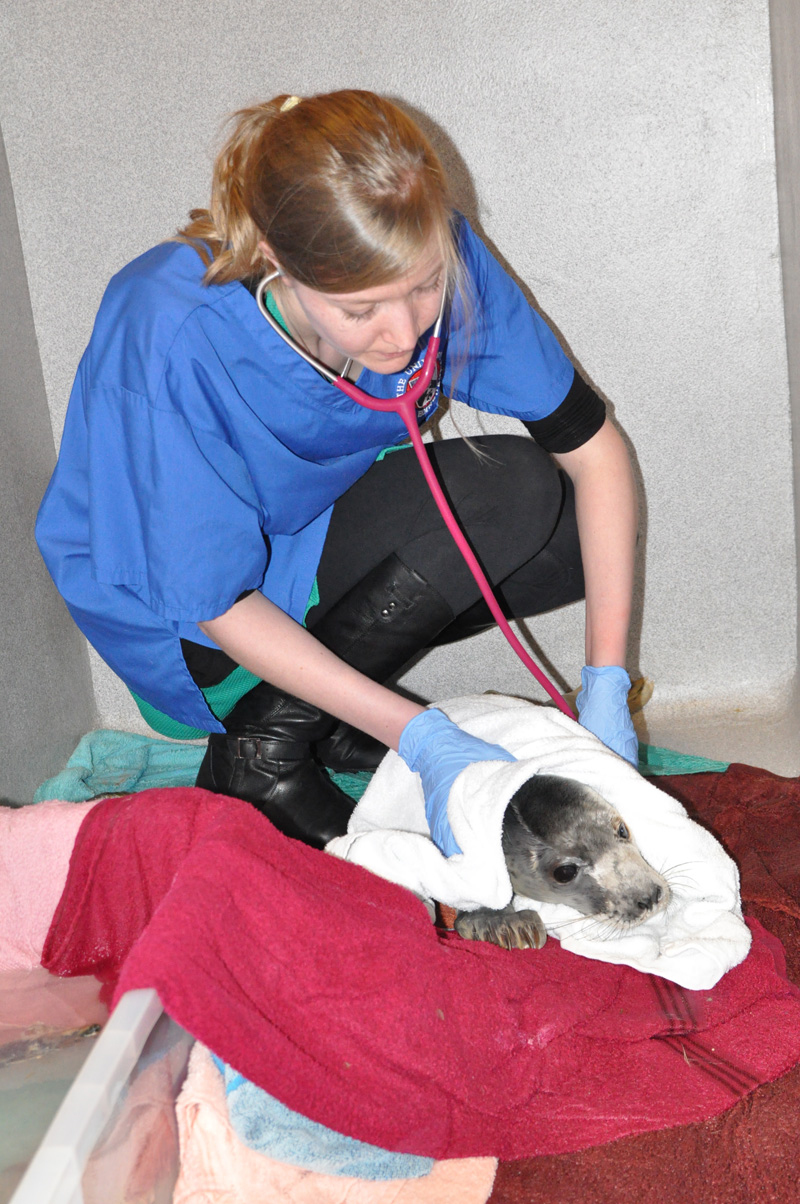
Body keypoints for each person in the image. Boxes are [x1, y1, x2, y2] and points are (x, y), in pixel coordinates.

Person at [36, 89, 639, 855]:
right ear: (276, 262)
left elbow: (594, 449)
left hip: (308, 535)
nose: (405, 329)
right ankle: (264, 750)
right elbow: (212, 599)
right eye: (361, 312)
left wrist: (607, 688)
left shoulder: (428, 249)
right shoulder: (168, 328)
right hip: (189, 622)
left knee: (576, 538)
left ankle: (327, 716)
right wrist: (416, 731)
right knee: (511, 488)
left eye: (424, 289)